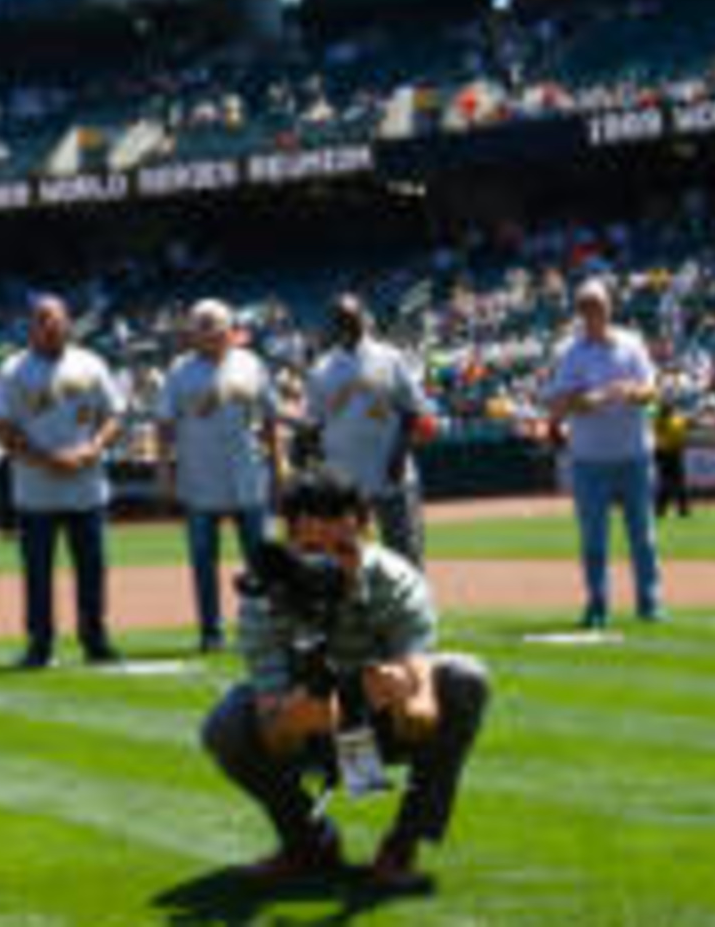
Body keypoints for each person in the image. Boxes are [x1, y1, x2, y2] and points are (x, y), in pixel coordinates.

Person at [196, 474, 491, 895]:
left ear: (367, 535)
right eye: (312, 550)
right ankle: (307, 845)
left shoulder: (397, 582)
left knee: (465, 679)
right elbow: (277, 735)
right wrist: (311, 710)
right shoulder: (265, 593)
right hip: (311, 728)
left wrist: (399, 696)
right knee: (226, 725)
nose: (330, 564)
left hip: (382, 722)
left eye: (345, 549)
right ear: (288, 541)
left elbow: (421, 719)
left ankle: (401, 848)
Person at [0, 293, 125, 667]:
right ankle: (39, 644)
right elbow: (1, 426)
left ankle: (95, 639)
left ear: (68, 322)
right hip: (36, 491)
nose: (51, 326)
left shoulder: (91, 362)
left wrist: (93, 448)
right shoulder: (12, 369)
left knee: (92, 570)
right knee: (37, 575)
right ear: (31, 326)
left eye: (57, 319)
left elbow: (114, 415)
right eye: (43, 319)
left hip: (87, 486)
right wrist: (45, 459)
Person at [162, 298, 283, 653]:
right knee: (203, 562)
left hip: (248, 475)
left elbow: (270, 419)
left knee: (262, 561)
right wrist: (164, 472)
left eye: (214, 325)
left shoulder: (251, 364)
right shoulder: (179, 370)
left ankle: (267, 629)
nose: (208, 332)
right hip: (200, 480)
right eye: (201, 325)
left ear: (230, 329)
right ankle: (210, 633)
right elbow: (164, 425)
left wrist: (278, 466)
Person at [544, 278, 663, 628]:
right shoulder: (570, 352)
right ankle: (597, 604)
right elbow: (558, 403)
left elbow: (651, 391)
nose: (593, 312)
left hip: (634, 454)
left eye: (597, 305)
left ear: (609, 307)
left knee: (643, 537)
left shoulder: (632, 343)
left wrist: (631, 391)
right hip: (589, 459)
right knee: (594, 540)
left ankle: (649, 602)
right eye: (586, 306)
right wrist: (588, 399)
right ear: (580, 312)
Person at [306, 293, 438, 564]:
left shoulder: (391, 358)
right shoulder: (320, 370)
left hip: (392, 476)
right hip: (346, 480)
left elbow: (413, 410)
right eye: (342, 319)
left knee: (407, 555)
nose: (349, 324)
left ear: (363, 318)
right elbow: (315, 425)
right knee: (346, 559)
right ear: (333, 324)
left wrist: (398, 455)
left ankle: (412, 607)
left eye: (353, 317)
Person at [653, 393, 695, 520]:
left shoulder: (658, 420)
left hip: (663, 452)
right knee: (678, 483)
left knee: (666, 483)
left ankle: (662, 510)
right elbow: (686, 425)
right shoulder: (675, 420)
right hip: (672, 452)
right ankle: (682, 509)